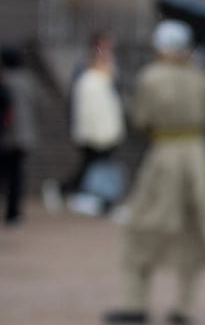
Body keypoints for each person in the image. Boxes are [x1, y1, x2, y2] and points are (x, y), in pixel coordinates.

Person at [103, 20, 205, 325]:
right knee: (192, 228)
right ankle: (184, 306)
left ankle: (136, 303)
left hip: (164, 154)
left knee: (143, 225)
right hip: (197, 155)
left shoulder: (151, 76)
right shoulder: (201, 77)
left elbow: (142, 118)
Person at [42, 31, 126, 213]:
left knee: (96, 165)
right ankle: (73, 192)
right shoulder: (85, 69)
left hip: (106, 126)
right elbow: (80, 101)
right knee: (91, 165)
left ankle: (96, 198)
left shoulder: (109, 67)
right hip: (92, 127)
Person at [0, 47, 36, 227]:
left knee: (6, 176)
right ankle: (13, 214)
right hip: (24, 136)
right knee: (17, 176)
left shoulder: (5, 81)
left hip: (7, 136)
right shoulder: (28, 81)